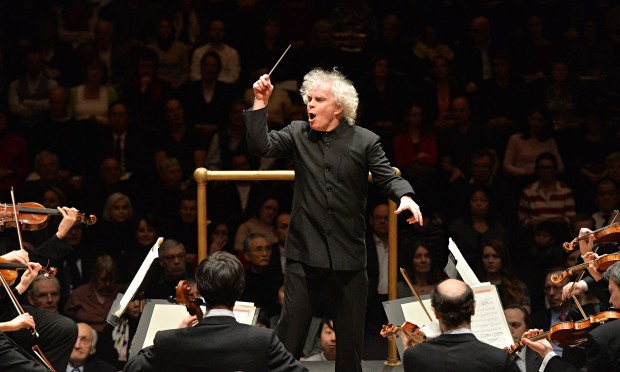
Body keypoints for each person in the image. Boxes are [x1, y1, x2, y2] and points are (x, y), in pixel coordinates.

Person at [246, 68, 422, 371]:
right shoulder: (298, 132)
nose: (309, 105)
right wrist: (260, 101)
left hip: (349, 252)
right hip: (304, 249)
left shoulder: (365, 140)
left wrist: (405, 195)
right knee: (291, 332)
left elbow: (386, 175)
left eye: (318, 99)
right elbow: (261, 146)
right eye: (308, 99)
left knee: (350, 338)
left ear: (337, 107)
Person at [124, 251, 307, 372]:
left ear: (200, 291)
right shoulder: (262, 340)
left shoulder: (171, 340)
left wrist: (177, 333)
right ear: (240, 289)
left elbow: (131, 368)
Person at [401, 278, 520, 372]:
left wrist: (407, 350)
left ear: (436, 313)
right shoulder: (499, 359)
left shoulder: (414, 356)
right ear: (473, 308)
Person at [522, 261, 620, 371]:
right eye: (547, 288)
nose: (610, 300)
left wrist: (547, 353)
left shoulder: (605, 335)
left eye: (611, 292)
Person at [504, 305, 543, 372]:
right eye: (505, 325)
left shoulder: (541, 357)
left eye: (515, 325)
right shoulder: (494, 357)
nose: (509, 330)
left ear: (527, 328)